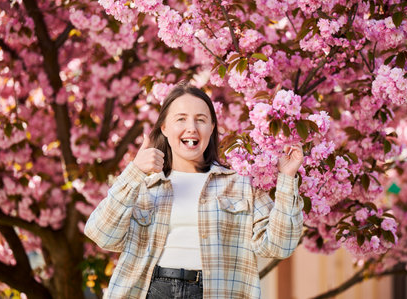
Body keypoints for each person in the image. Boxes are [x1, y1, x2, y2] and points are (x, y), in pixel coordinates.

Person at [84, 82, 304, 299]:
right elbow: (102, 235)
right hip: (152, 290)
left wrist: (286, 178)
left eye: (201, 120)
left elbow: (278, 247)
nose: (192, 127)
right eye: (181, 119)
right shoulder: (143, 185)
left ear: (212, 128)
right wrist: (134, 172)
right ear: (164, 128)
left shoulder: (241, 184)